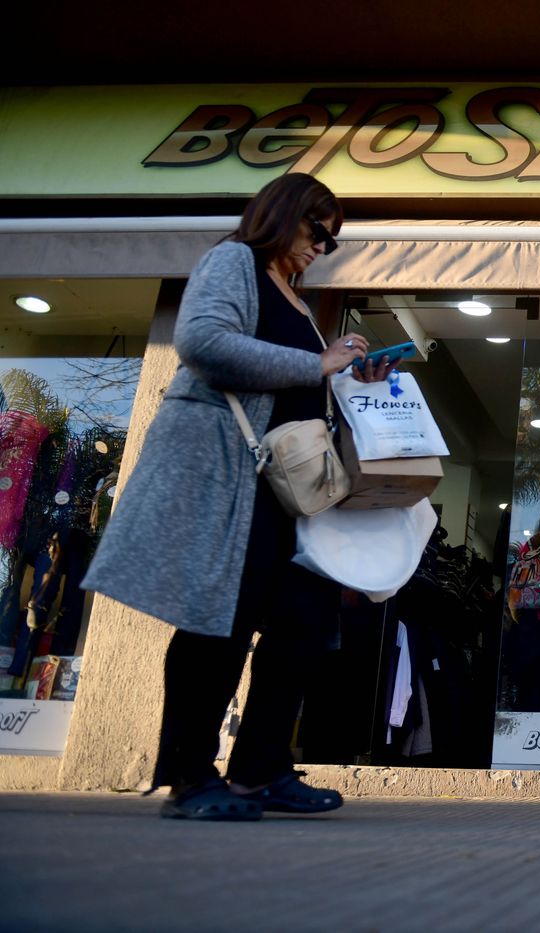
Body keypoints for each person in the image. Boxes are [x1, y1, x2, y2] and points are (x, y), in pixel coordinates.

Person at [81, 174, 395, 821]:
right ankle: (190, 776)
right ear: (284, 214)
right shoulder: (235, 262)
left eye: (331, 241)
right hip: (228, 475)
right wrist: (319, 363)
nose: (322, 247)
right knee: (217, 623)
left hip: (283, 488)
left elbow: (297, 386)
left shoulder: (298, 301)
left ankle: (259, 770)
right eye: (319, 231)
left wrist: (351, 378)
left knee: (304, 620)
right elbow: (202, 343)